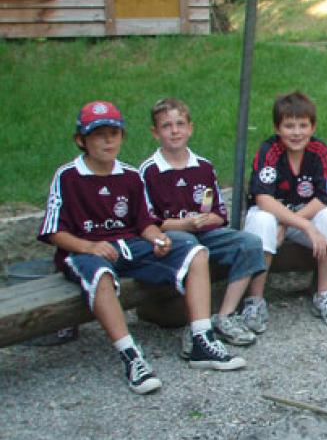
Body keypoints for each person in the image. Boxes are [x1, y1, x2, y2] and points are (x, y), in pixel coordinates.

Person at [38, 101, 245, 394]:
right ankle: (131, 355)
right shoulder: (68, 176)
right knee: (101, 276)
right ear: (81, 140)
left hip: (129, 246)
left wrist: (156, 239)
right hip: (84, 249)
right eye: (98, 135)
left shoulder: (130, 175)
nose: (107, 141)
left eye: (113, 133)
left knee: (195, 253)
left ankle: (202, 338)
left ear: (122, 137)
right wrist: (90, 246)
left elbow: (144, 223)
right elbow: (54, 231)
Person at [139, 97, 268, 347]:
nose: (174, 131)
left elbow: (220, 214)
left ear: (190, 128)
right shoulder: (148, 171)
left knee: (250, 243)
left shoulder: (204, 167)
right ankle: (196, 326)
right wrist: (183, 224)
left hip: (205, 233)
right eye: (166, 126)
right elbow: (147, 222)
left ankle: (225, 315)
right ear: (155, 133)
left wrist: (210, 218)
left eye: (180, 124)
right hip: (173, 238)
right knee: (189, 245)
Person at [242, 91, 327, 328]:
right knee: (262, 222)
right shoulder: (269, 150)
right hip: (274, 217)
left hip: (302, 217)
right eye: (289, 126)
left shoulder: (320, 151)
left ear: (312, 127)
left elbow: (326, 196)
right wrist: (300, 224)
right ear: (277, 128)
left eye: (303, 125)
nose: (297, 132)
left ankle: (325, 296)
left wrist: (292, 222)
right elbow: (263, 199)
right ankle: (254, 301)